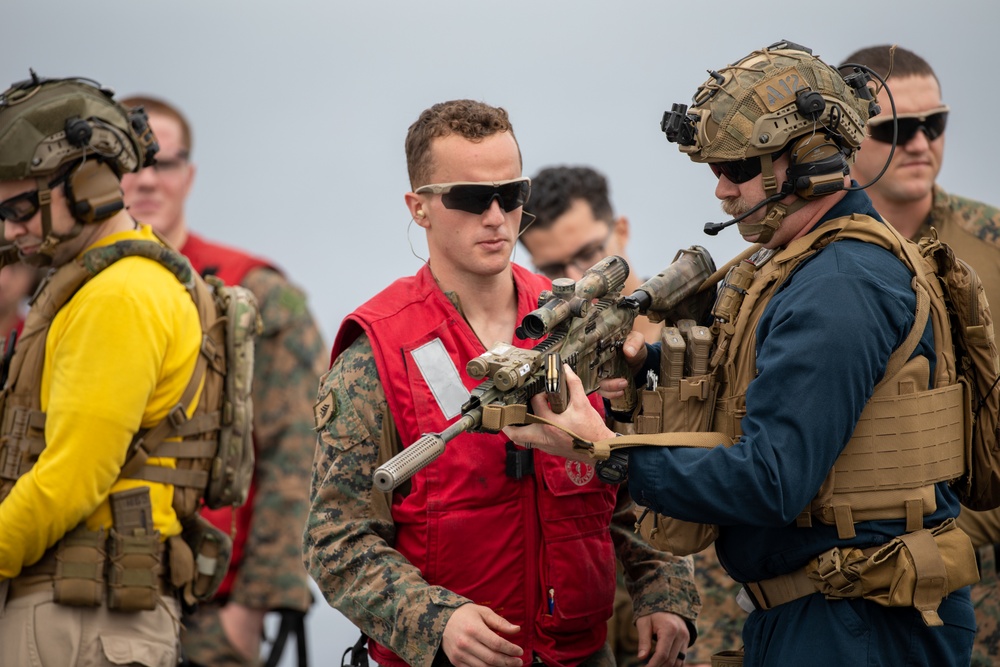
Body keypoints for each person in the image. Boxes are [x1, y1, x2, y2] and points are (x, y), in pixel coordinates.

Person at [504, 41, 980, 666]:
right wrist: (644, 370)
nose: (723, 189)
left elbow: (771, 480)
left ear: (810, 157)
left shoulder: (840, 284)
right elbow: (749, 388)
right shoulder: (796, 264)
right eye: (714, 170)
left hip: (857, 623)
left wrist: (600, 452)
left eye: (738, 168)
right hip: (826, 614)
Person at [303, 99, 700, 667]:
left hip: (580, 654)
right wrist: (435, 621)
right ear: (419, 207)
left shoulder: (578, 326)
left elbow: (632, 483)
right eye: (468, 197)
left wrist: (664, 590)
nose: (495, 216)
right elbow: (335, 539)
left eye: (511, 195)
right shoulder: (379, 352)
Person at [0, 73, 200, 665]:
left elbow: (70, 479)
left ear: (87, 184)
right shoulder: (98, 284)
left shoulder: (118, 295)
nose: (10, 229)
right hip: (77, 611)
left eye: (18, 207)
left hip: (76, 618)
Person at [120, 95, 326, 667]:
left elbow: (302, 448)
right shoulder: (58, 299)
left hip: (208, 610)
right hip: (85, 596)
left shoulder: (254, 292)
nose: (147, 180)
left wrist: (253, 607)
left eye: (164, 162)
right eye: (131, 162)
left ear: (189, 174)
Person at [519, 165, 743, 667]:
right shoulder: (555, 360)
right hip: (604, 619)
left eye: (587, 255)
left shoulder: (704, 331)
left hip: (713, 605)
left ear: (620, 232)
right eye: (555, 265)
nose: (578, 279)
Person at [840, 43, 1000, 667]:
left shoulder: (991, 245)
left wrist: (958, 534)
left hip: (974, 561)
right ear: (847, 138)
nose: (919, 144)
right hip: (843, 568)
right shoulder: (803, 257)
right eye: (895, 129)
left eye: (934, 124)